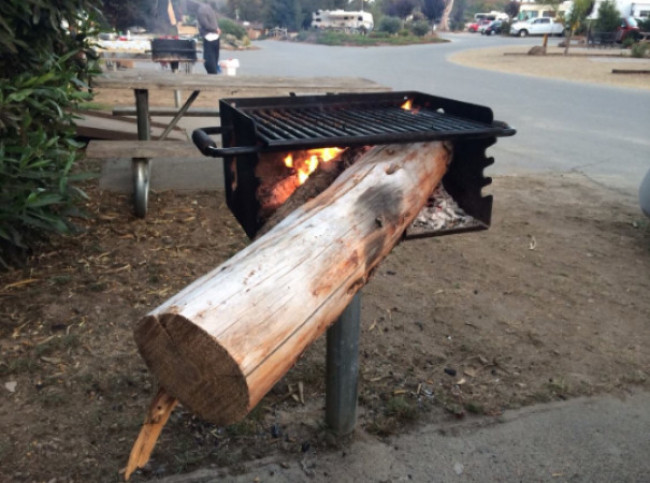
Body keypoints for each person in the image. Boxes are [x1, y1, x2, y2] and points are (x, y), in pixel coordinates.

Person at [196, 2, 221, 74]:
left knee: (208, 61)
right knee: (214, 60)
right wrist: (216, 29)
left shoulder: (201, 10)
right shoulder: (210, 9)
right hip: (216, 37)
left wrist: (215, 30)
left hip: (208, 37)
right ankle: (214, 75)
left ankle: (213, 77)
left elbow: (206, 25)